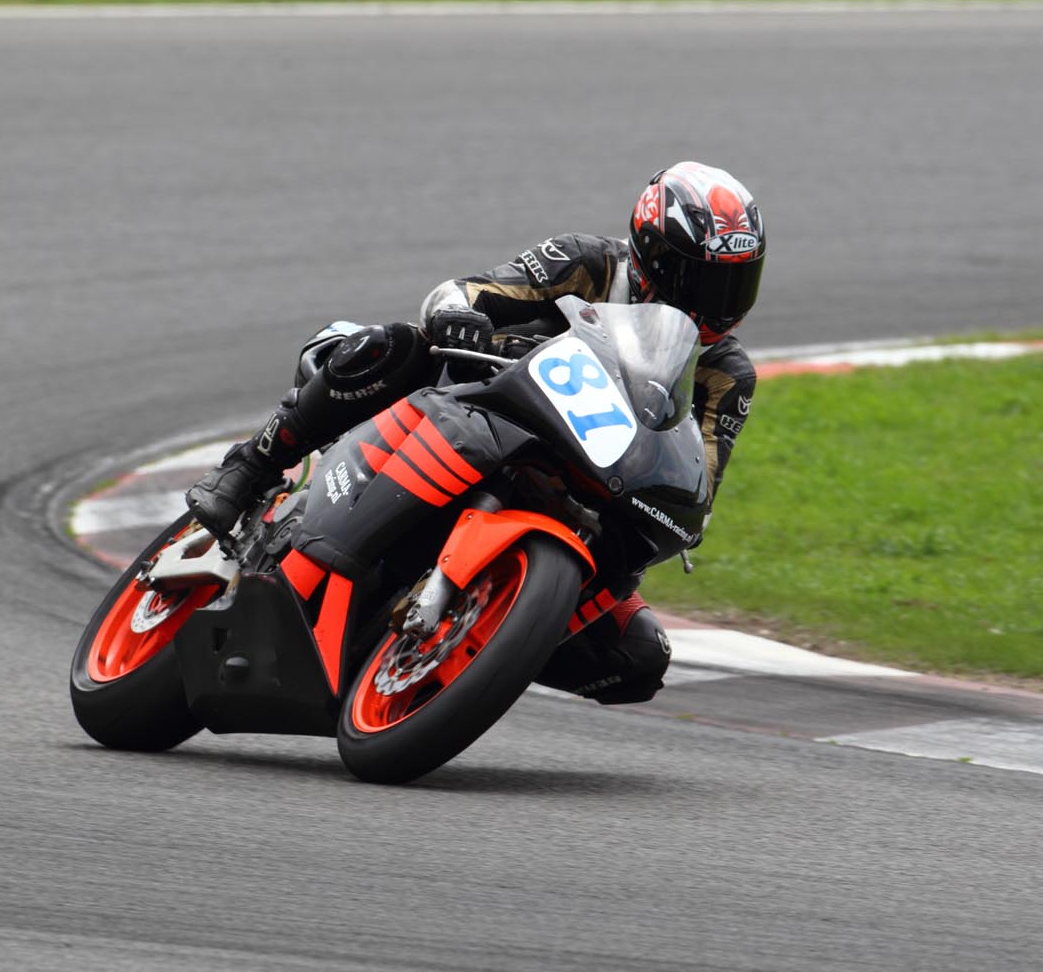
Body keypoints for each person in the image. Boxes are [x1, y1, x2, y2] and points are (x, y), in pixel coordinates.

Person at [187, 161, 764, 704]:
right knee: (395, 344)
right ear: (650, 256)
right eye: (701, 281)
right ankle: (250, 466)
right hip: (478, 402)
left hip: (585, 477)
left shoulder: (728, 374)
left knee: (638, 656)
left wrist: (678, 508)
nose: (716, 304)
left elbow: (699, 480)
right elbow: (465, 292)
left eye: (735, 286)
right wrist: (463, 316)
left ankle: (488, 640)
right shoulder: (586, 261)